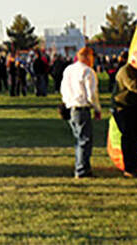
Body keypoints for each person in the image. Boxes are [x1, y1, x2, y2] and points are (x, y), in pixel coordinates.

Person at [60, 46, 102, 178]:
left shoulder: (68, 70)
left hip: (70, 107)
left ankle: (82, 166)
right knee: (85, 140)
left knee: (78, 139)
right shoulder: (88, 71)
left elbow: (63, 89)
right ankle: (82, 169)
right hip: (82, 108)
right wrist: (97, 109)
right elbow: (91, 94)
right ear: (89, 58)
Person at [113, 50, 137, 177]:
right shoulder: (125, 71)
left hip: (132, 108)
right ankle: (129, 168)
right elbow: (133, 87)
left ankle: (135, 166)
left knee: (135, 137)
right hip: (123, 108)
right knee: (128, 138)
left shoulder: (136, 72)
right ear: (133, 61)